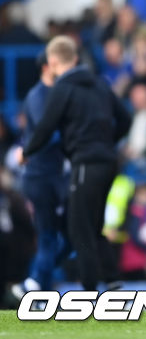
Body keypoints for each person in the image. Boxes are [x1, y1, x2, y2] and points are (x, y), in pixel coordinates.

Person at [21, 36, 132, 291]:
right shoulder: (100, 84)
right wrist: (106, 143)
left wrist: (26, 152)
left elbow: (45, 128)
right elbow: (125, 119)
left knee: (79, 230)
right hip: (108, 163)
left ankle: (90, 293)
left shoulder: (63, 88)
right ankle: (113, 281)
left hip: (85, 165)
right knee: (93, 225)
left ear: (53, 61)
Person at [12, 53, 69, 298]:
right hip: (40, 176)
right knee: (48, 237)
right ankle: (34, 285)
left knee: (69, 237)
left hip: (55, 176)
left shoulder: (56, 93)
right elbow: (46, 136)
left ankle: (36, 284)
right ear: (47, 67)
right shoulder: (38, 96)